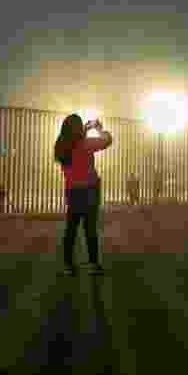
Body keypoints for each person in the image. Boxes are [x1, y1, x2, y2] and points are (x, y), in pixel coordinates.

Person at [54, 114, 113, 276]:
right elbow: (107, 140)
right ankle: (93, 265)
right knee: (90, 228)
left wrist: (85, 129)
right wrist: (100, 129)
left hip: (72, 191)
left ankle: (68, 265)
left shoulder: (61, 145)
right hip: (89, 191)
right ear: (78, 128)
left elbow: (75, 142)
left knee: (71, 229)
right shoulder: (85, 144)